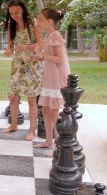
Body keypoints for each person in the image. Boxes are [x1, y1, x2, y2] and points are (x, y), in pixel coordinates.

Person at [1, 0, 43, 142]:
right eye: (11, 13)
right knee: (13, 97)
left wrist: (25, 47)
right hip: (17, 65)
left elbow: (40, 44)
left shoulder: (32, 23)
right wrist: (8, 50)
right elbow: (11, 47)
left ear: (23, 10)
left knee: (32, 100)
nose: (14, 16)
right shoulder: (11, 27)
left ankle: (32, 130)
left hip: (32, 65)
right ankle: (14, 125)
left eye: (17, 12)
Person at [33, 8, 70, 149]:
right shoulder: (48, 37)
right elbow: (48, 56)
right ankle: (49, 141)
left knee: (53, 111)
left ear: (49, 21)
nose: (38, 21)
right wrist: (38, 55)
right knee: (45, 110)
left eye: (40, 19)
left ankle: (59, 143)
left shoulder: (55, 36)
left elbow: (59, 59)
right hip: (49, 77)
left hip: (56, 78)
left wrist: (43, 56)